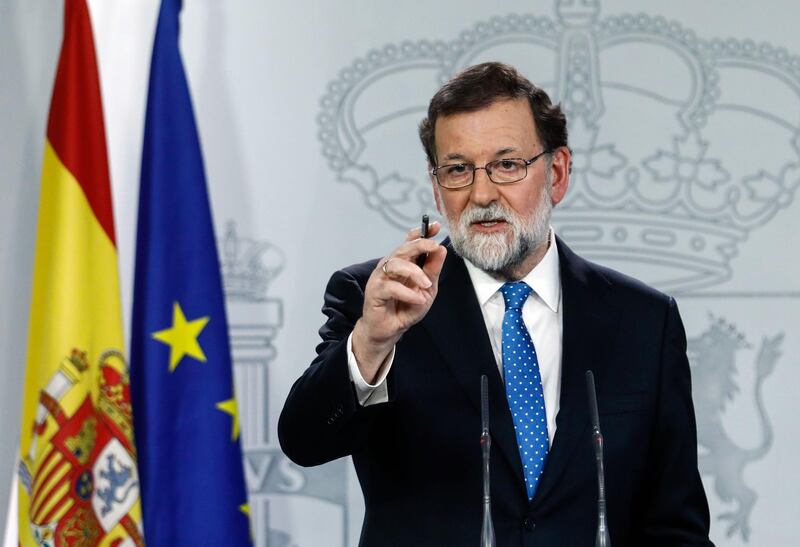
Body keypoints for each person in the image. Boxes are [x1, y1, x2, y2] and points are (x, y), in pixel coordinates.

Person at [279, 62, 713, 546]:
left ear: (557, 173)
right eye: (458, 170)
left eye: (507, 165)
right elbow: (306, 442)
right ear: (436, 187)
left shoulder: (643, 321)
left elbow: (676, 525)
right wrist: (371, 342)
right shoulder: (381, 300)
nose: (482, 193)